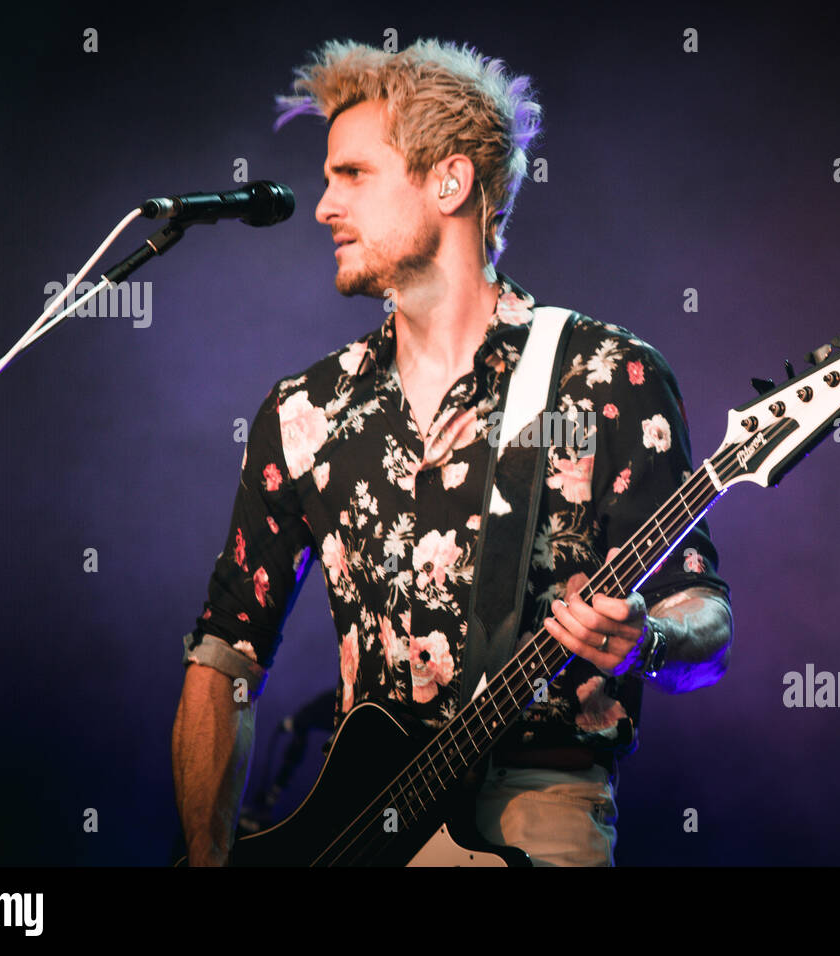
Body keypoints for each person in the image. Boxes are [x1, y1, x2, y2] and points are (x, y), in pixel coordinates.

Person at [171, 38, 733, 867]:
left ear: (451, 181)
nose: (323, 207)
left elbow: (704, 615)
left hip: (538, 802)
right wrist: (205, 857)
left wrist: (647, 638)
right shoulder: (304, 411)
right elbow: (224, 655)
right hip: (358, 821)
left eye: (352, 175)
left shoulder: (605, 376)